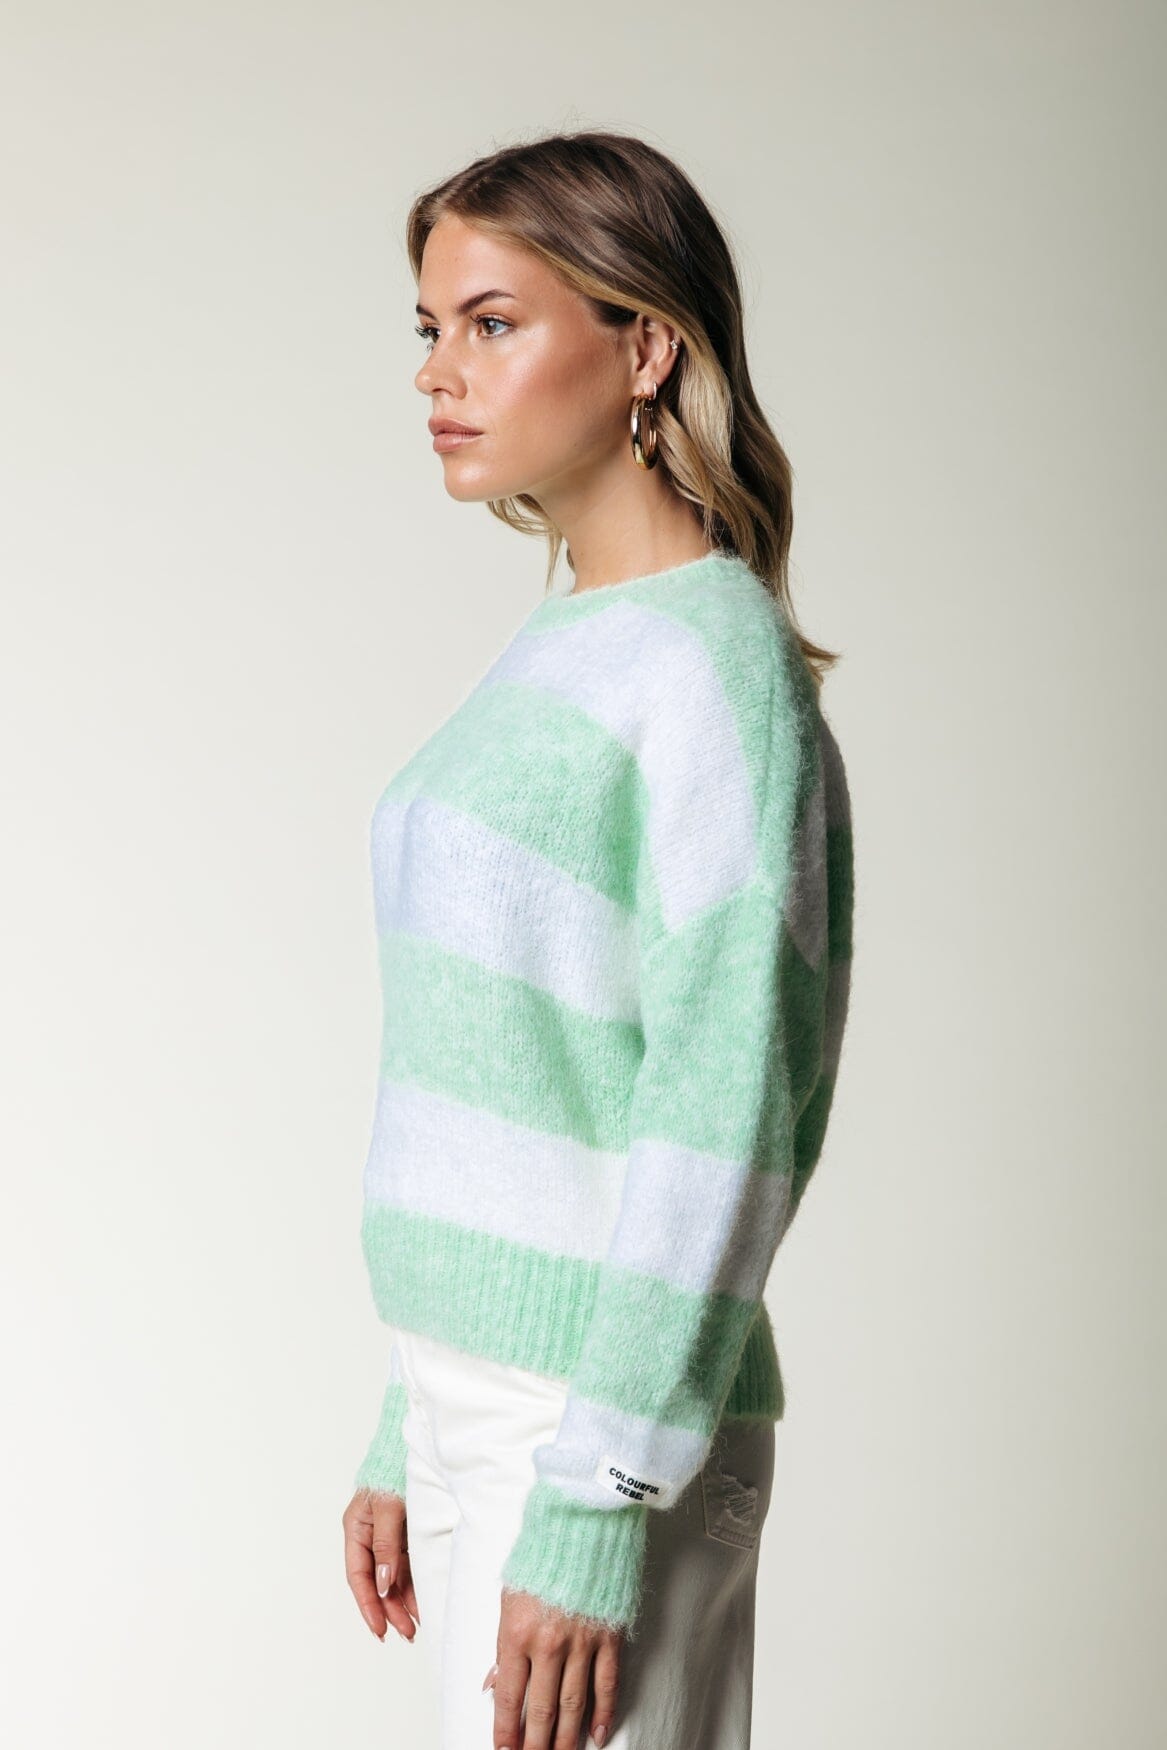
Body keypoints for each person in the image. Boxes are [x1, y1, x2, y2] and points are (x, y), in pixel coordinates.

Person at [340, 128, 855, 1750]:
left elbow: (721, 1112)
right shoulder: (570, 637)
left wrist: (599, 1485)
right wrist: (408, 1408)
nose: (439, 371)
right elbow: (535, 1075)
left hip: (595, 1434)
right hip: (485, 1406)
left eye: (492, 322)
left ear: (646, 346)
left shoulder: (713, 668)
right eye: (431, 327)